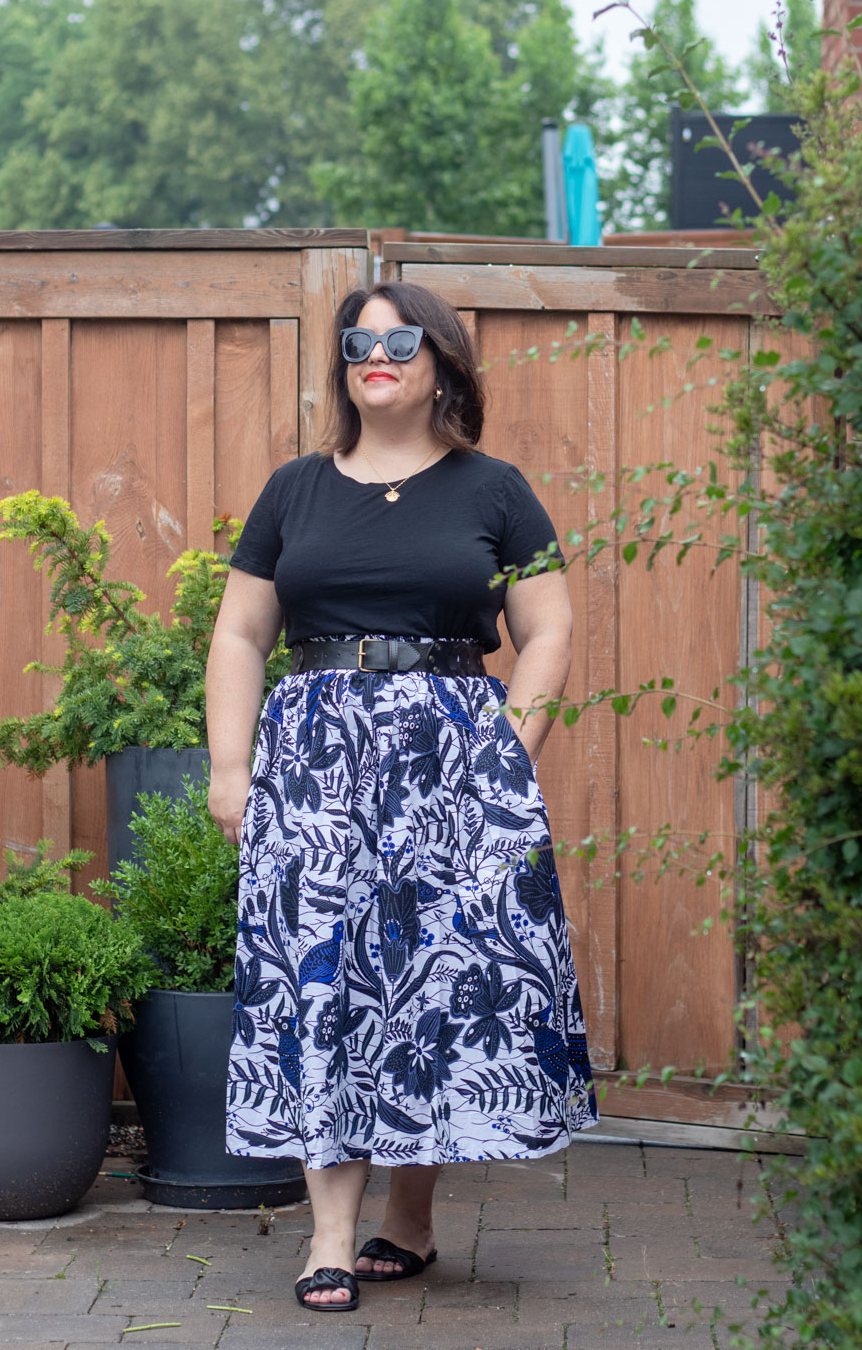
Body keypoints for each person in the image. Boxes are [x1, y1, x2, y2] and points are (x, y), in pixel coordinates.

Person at [205, 280, 598, 1313]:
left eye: (399, 338)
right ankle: (327, 1235)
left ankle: (409, 1219)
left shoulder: (497, 490)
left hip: (453, 766)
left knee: (430, 986)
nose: (375, 353)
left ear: (443, 364)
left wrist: (511, 745)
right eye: (357, 340)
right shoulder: (294, 489)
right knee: (322, 981)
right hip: (315, 765)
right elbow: (239, 635)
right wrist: (228, 767)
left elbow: (549, 627)